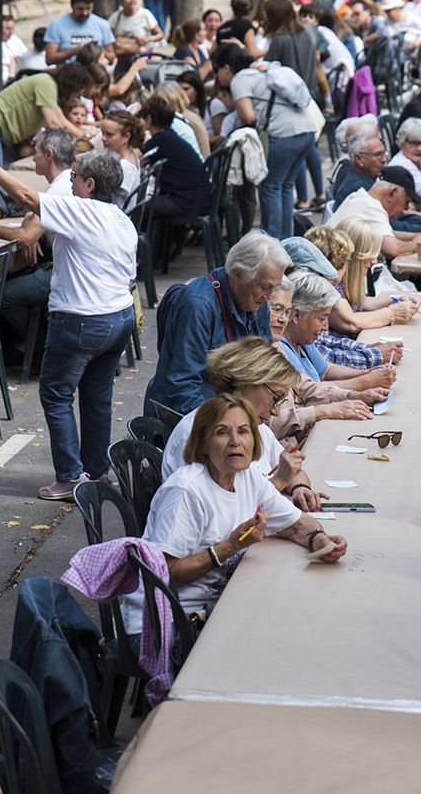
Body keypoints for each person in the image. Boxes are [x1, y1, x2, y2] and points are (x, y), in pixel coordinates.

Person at [0, 140, 139, 501]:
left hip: (81, 320)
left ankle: (69, 476)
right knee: (97, 396)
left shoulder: (81, 211)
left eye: (75, 177)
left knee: (56, 394)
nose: (70, 182)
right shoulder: (121, 219)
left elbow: (31, 200)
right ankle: (97, 470)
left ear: (90, 185)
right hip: (118, 318)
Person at [120, 394, 348, 638]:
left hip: (216, 604)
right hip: (163, 621)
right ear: (203, 443)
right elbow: (165, 572)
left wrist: (320, 540)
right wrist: (230, 546)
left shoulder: (248, 477)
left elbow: (295, 525)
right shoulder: (186, 491)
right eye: (222, 432)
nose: (235, 442)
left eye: (243, 432)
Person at [160, 338, 318, 509]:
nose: (276, 411)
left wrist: (300, 488)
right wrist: (278, 481)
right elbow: (223, 513)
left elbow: (293, 471)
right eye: (276, 397)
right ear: (247, 383)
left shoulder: (258, 428)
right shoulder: (201, 433)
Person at [145, 230, 287, 416]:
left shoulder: (258, 302)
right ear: (237, 273)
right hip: (192, 415)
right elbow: (182, 387)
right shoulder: (198, 305)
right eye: (265, 286)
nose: (269, 295)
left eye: (273, 287)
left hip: (231, 408)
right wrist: (230, 424)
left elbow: (260, 371)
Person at [0, 129, 77, 351]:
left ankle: (39, 347)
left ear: (49, 155)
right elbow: (32, 221)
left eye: (36, 151)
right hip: (63, 266)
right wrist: (34, 227)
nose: (33, 157)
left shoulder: (58, 191)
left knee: (3, 295)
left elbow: (24, 237)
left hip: (65, 273)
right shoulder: (63, 183)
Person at [217, 44, 316, 239]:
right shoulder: (262, 71)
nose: (218, 77)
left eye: (217, 70)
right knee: (285, 186)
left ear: (226, 68)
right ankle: (286, 241)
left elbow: (248, 117)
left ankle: (271, 244)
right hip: (307, 129)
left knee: (270, 187)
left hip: (283, 134)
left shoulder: (239, 79)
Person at [275, 270, 397, 389]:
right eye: (322, 319)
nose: (325, 327)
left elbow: (326, 371)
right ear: (296, 315)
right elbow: (308, 391)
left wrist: (368, 373)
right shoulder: (281, 349)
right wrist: (366, 381)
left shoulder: (301, 339)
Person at [0, 61, 100, 166]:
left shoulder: (49, 88)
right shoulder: (46, 83)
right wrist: (74, 145)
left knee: (4, 174)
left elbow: (61, 120)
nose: (77, 96)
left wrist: (82, 137)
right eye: (78, 91)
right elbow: (53, 124)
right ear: (71, 86)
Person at [328, 165, 421, 259]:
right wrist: (418, 243)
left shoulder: (361, 197)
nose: (407, 208)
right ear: (391, 193)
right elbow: (393, 249)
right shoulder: (371, 207)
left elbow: (386, 235)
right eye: (406, 201)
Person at [138, 95, 204, 223]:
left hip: (186, 202)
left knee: (139, 208)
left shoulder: (160, 141)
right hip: (196, 197)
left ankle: (147, 242)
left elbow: (138, 159)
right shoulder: (170, 137)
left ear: (148, 120)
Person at [43, 0, 116, 66]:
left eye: (88, 8)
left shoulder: (102, 24)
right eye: (80, 9)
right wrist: (75, 51)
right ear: (72, 5)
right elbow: (49, 59)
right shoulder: (56, 25)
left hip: (94, 74)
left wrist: (96, 50)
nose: (84, 13)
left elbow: (112, 58)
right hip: (68, 73)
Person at [108, 0, 164, 68]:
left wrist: (148, 39)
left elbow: (160, 35)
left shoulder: (145, 14)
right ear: (121, 1)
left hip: (142, 58)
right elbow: (108, 36)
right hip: (121, 59)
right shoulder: (116, 17)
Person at [97, 108, 144, 204]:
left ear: (126, 137)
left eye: (109, 135)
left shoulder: (124, 168)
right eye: (103, 133)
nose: (103, 138)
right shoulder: (130, 153)